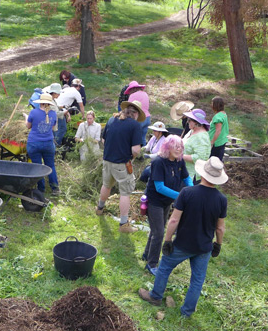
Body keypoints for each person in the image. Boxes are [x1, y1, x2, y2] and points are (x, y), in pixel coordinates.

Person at [138, 156, 228, 317]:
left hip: (182, 244)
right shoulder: (221, 199)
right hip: (204, 247)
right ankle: (187, 311)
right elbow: (220, 228)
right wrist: (218, 244)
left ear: (203, 174)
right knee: (197, 280)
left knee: (165, 267)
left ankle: (155, 296)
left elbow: (173, 219)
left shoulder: (187, 192)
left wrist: (167, 240)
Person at [142, 136, 192, 275]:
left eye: (180, 146)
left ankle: (146, 254)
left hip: (166, 202)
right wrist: (180, 195)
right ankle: (152, 264)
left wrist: (192, 190)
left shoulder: (179, 161)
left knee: (156, 229)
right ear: (167, 147)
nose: (179, 149)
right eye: (175, 146)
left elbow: (186, 177)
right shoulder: (159, 162)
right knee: (159, 233)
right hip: (155, 201)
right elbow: (159, 187)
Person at [95, 100, 145, 233]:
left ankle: (99, 209)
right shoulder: (134, 125)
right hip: (122, 163)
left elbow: (103, 140)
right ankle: (124, 224)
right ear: (135, 114)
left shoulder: (112, 120)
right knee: (125, 192)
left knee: (106, 185)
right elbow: (135, 150)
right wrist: (131, 158)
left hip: (107, 161)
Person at [27, 93, 60, 194]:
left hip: (34, 143)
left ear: (40, 103)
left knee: (38, 166)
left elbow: (28, 126)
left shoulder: (33, 112)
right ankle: (55, 188)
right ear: (49, 104)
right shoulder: (53, 114)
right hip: (48, 143)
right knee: (50, 166)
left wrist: (26, 118)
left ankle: (41, 189)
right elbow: (53, 127)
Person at [182, 109, 211, 185]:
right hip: (184, 171)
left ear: (196, 122)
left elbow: (200, 158)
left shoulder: (201, 137)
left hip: (192, 176)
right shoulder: (191, 131)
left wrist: (181, 156)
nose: (187, 121)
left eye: (189, 120)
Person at [124, 81, 151, 146]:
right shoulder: (145, 93)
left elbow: (129, 108)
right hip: (147, 118)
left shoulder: (133, 95)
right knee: (143, 138)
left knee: (134, 138)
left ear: (131, 89)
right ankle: (142, 153)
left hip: (139, 118)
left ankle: (133, 153)